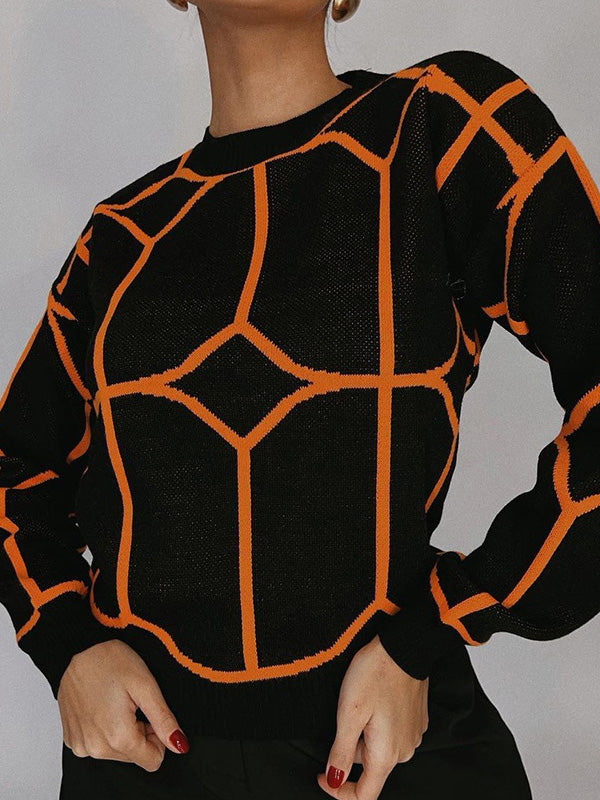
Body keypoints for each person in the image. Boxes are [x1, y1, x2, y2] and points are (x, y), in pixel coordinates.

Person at [2, 1, 600, 798]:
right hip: (144, 762)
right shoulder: (122, 234)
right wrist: (67, 645)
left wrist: (437, 628)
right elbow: (15, 468)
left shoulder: (434, 127)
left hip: (388, 753)